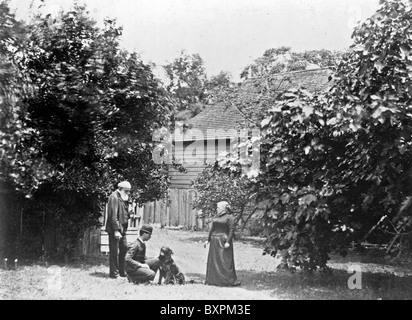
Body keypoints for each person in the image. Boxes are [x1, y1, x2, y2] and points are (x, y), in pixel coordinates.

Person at [204, 201, 241, 287]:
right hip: (214, 242)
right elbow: (212, 229)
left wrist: (228, 242)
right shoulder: (216, 217)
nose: (216, 209)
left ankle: (227, 281)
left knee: (225, 261)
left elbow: (231, 230)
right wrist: (208, 240)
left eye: (218, 207)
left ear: (223, 208)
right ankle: (213, 280)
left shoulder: (229, 217)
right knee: (214, 261)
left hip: (223, 241)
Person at [105, 181, 132, 279]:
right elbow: (113, 216)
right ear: (120, 189)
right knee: (114, 252)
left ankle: (122, 272)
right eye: (126, 191)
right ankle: (114, 274)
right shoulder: (114, 197)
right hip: (114, 229)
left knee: (124, 248)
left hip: (123, 229)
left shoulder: (123, 197)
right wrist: (116, 230)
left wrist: (129, 212)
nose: (128, 193)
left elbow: (124, 213)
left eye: (129, 191)